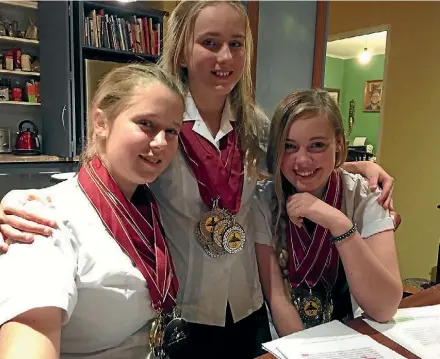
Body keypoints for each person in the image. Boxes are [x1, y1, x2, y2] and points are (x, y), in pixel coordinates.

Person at [0, 1, 396, 356]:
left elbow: (300, 165)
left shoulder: (254, 127)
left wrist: (358, 168)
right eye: (209, 42)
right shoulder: (164, 122)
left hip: (246, 304)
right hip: (183, 310)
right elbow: (103, 178)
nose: (224, 56)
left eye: (236, 44)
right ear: (183, 50)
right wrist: (16, 200)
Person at [0, 63, 187, 359]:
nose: (161, 143)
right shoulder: (41, 220)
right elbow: (29, 335)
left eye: (172, 130)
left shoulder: (151, 202)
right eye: (146, 124)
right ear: (101, 122)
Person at [257, 89, 402, 335]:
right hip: (287, 343)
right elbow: (278, 299)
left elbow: (385, 308)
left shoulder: (364, 196)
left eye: (317, 145)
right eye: (289, 146)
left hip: (351, 338)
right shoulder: (262, 200)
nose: (301, 160)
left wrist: (339, 224)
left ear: (339, 144)